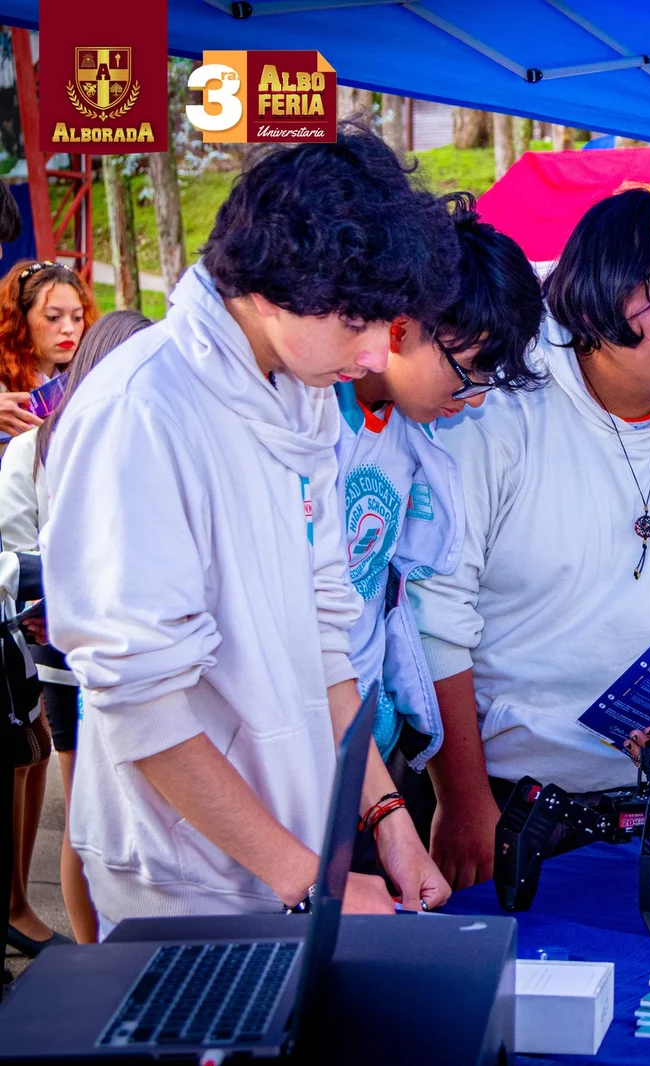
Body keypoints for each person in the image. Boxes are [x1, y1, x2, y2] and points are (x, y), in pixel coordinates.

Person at [41, 129, 456, 936]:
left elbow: (331, 642)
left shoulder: (299, 397)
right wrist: (307, 882)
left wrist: (389, 822)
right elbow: (143, 705)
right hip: (186, 873)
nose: (374, 352)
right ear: (270, 291)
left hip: (296, 848)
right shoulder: (142, 413)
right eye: (358, 323)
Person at [415, 190, 650, 891]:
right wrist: (461, 800)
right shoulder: (494, 407)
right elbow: (435, 613)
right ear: (592, 295)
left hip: (648, 799)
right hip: (492, 794)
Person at [333, 192, 544, 780]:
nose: (474, 397)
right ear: (401, 329)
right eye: (466, 372)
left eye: (487, 380)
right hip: (287, 744)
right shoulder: (309, 422)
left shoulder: (410, 432)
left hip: (366, 743)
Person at [0, 309, 152, 949]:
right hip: (68, 667)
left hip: (151, 662)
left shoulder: (159, 442)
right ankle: (91, 957)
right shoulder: (34, 448)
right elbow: (12, 562)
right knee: (87, 814)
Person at [0, 261, 97, 439]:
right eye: (53, 317)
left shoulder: (89, 381)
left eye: (77, 317)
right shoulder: (3, 385)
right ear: (19, 319)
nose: (68, 328)